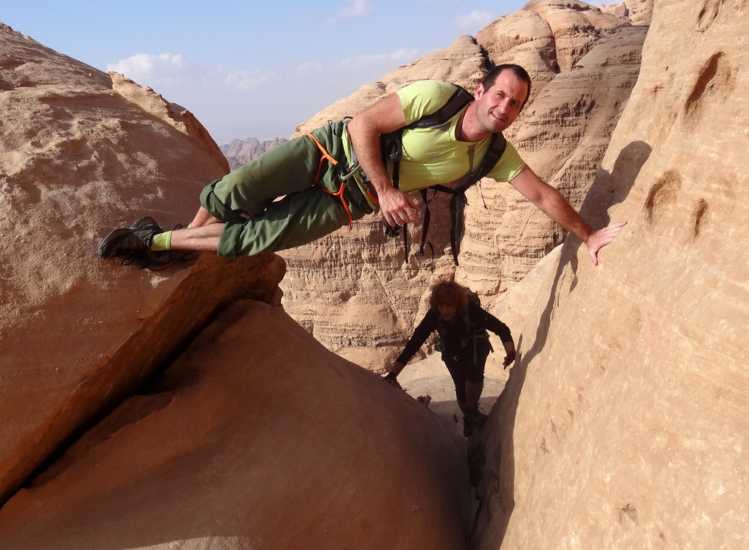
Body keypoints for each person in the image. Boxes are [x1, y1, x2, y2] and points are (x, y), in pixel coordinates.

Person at [97, 64, 625, 268]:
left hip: (347, 201)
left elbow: (542, 195)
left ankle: (156, 243)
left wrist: (588, 234)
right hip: (330, 153)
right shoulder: (436, 97)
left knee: (255, 238)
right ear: (482, 89)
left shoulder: (493, 155)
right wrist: (388, 191)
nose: (504, 109)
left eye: (515, 105)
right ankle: (186, 240)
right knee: (235, 192)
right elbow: (362, 126)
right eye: (501, 95)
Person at [384, 280, 515, 436]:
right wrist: (393, 374)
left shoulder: (470, 310)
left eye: (449, 305)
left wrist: (510, 352)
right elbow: (414, 344)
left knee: (474, 372)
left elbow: (501, 329)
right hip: (452, 348)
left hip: (475, 343)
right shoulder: (434, 315)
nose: (444, 310)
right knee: (460, 388)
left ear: (457, 305)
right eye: (441, 305)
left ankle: (472, 411)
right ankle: (469, 418)